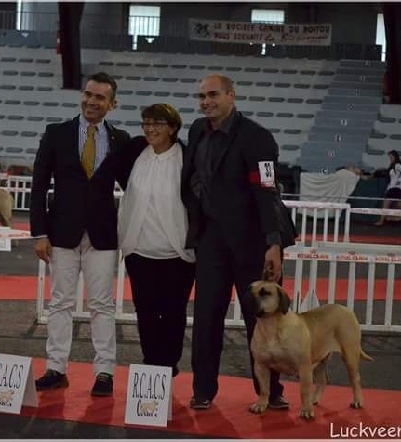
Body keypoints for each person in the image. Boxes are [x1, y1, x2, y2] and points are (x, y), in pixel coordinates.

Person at [182, 74, 294, 410]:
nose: (206, 102)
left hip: (253, 242)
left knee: (263, 320)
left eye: (213, 94)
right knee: (205, 318)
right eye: (201, 96)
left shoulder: (258, 138)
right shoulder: (197, 130)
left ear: (232, 96)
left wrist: (273, 243)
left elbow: (267, 191)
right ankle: (203, 390)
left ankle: (272, 392)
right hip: (212, 241)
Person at [30, 72, 130, 396]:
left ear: (112, 104)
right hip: (61, 232)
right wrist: (38, 233)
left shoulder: (122, 140)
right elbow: (39, 186)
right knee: (60, 302)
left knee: (103, 304)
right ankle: (56, 368)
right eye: (88, 94)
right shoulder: (55, 133)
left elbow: (133, 188)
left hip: (102, 234)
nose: (91, 101)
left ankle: (104, 372)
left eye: (100, 97)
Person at [114, 104, 195, 377]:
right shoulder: (136, 153)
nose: (150, 129)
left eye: (158, 123)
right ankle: (151, 366)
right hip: (139, 251)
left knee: (173, 313)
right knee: (145, 312)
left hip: (177, 253)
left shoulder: (187, 157)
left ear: (173, 128)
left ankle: (168, 365)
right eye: (146, 123)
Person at [374, 150, 401, 228]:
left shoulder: (397, 165)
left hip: (395, 189)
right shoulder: (393, 165)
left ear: (395, 156)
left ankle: (381, 221)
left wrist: (399, 180)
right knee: (399, 205)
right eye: (389, 157)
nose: (390, 158)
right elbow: (392, 180)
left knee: (385, 205)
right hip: (394, 188)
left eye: (391, 157)